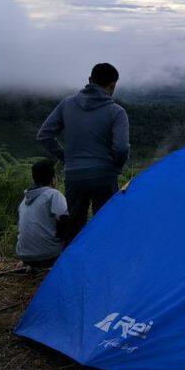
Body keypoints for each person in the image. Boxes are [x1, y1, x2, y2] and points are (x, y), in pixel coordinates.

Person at [37, 63, 130, 242]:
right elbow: (121, 148)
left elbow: (44, 135)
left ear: (89, 80)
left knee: (74, 226)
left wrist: (65, 157)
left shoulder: (67, 104)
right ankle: (102, 264)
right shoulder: (116, 112)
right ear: (113, 85)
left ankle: (70, 267)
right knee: (104, 223)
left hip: (74, 175)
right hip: (104, 175)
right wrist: (116, 167)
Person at [16, 159, 68, 268]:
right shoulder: (53, 194)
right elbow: (65, 220)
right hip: (48, 256)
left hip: (25, 256)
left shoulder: (24, 200)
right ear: (53, 178)